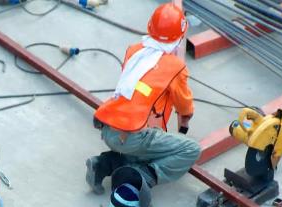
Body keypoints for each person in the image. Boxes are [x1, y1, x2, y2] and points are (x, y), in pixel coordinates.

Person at [86, 3, 201, 194]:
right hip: (132, 136)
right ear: (180, 36)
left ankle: (102, 165)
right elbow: (184, 105)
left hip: (108, 126)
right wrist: (186, 119)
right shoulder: (175, 67)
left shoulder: (134, 50)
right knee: (190, 149)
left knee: (145, 145)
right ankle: (139, 178)